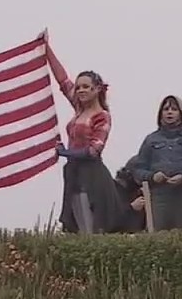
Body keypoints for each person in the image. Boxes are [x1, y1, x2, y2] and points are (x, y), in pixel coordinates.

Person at [46, 48, 124, 234]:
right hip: (73, 173)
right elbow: (63, 81)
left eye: (86, 87)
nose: (80, 90)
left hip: (92, 175)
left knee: (92, 226)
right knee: (77, 223)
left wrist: (65, 152)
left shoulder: (101, 116)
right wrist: (47, 49)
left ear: (97, 89)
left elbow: (93, 150)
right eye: (79, 86)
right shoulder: (79, 109)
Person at [132, 95, 182, 231]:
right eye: (166, 109)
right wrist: (153, 176)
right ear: (160, 114)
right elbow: (138, 171)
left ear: (181, 114)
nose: (169, 112)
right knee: (158, 237)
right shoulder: (151, 140)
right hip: (159, 197)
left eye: (174, 109)